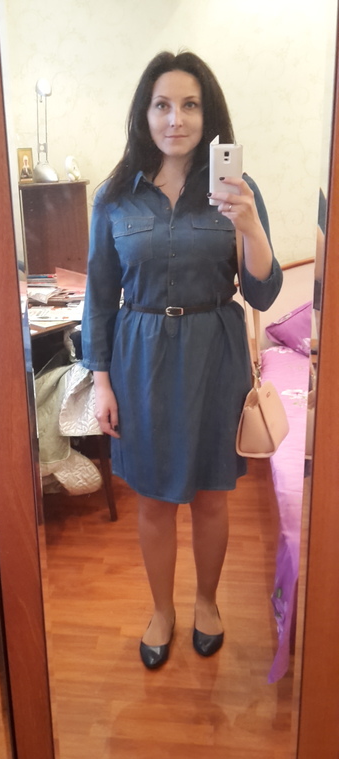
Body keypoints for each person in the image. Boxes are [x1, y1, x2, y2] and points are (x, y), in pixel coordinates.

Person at [81, 51, 283, 669]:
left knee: (212, 494)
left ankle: (207, 602)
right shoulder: (115, 197)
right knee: (153, 498)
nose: (176, 119)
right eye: (163, 105)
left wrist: (251, 227)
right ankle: (162, 609)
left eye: (190, 105)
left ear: (207, 112)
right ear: (144, 115)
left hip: (214, 352)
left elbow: (263, 294)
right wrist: (101, 382)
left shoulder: (237, 190)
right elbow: (99, 294)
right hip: (139, 358)